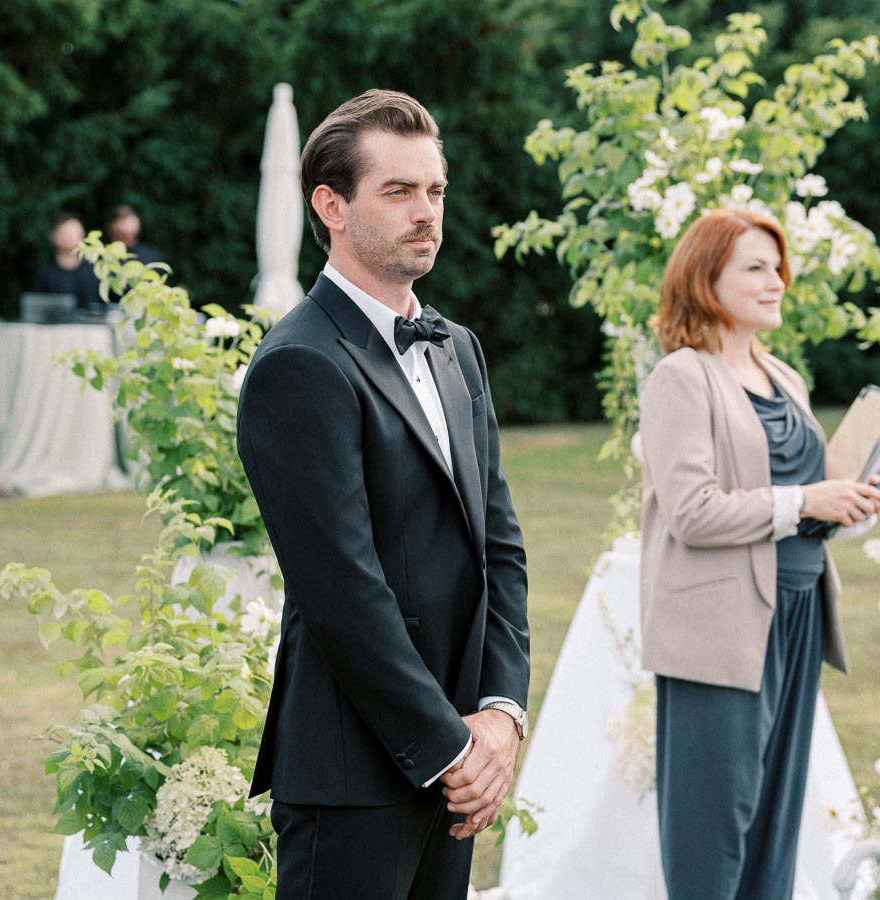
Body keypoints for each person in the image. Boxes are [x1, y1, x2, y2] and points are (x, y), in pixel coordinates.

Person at [236, 89, 531, 899]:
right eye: (398, 191)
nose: (426, 211)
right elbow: (341, 592)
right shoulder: (300, 364)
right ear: (330, 205)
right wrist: (449, 749)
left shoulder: (457, 350)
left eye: (434, 190)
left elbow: (497, 545)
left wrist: (500, 714)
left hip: (462, 760)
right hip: (353, 770)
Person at [637, 208, 880, 899]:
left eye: (778, 266)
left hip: (799, 616)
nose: (776, 280)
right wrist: (808, 501)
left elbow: (798, 504)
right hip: (719, 626)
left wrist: (843, 506)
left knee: (776, 819)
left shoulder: (785, 378)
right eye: (755, 266)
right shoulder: (682, 379)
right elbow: (693, 513)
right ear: (705, 276)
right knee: (714, 826)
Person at [30, 211, 101, 311]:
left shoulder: (94, 269)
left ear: (83, 236)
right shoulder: (43, 271)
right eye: (64, 233)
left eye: (74, 233)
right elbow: (37, 306)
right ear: (53, 236)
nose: (69, 237)